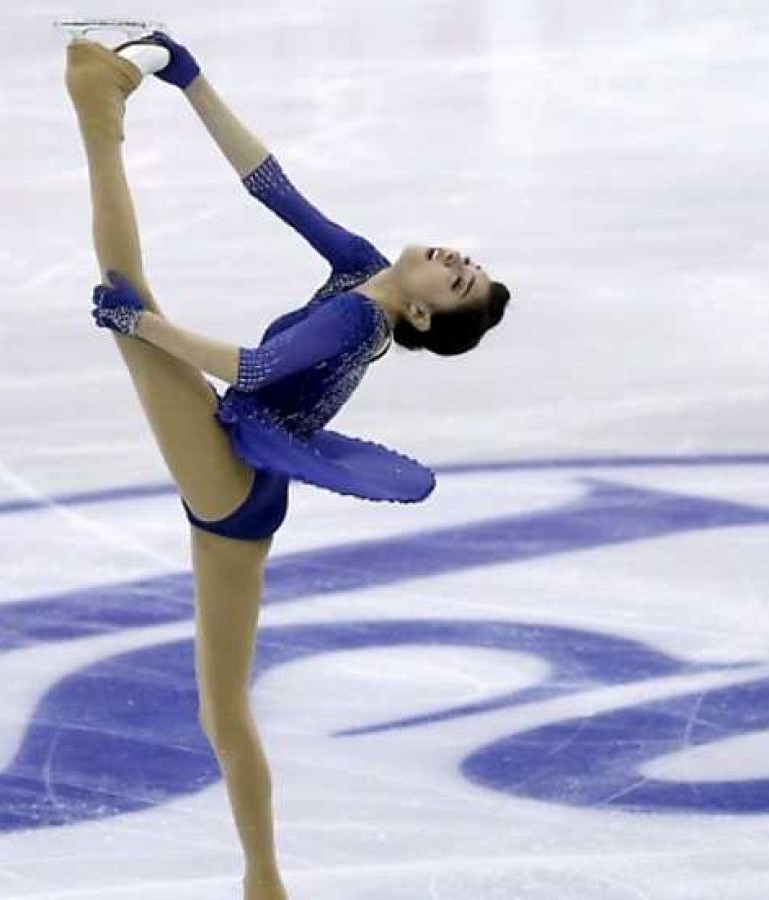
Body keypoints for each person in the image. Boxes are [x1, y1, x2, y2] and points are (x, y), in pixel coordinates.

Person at [62, 30, 509, 900]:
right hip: (247, 482)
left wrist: (139, 326)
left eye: (459, 282)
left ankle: (97, 106)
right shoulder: (364, 273)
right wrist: (191, 81)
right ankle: (265, 881)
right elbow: (270, 184)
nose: (457, 261)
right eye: (468, 262)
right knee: (222, 711)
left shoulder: (358, 321)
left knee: (126, 284)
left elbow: (255, 371)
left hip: (234, 468)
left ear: (420, 319)